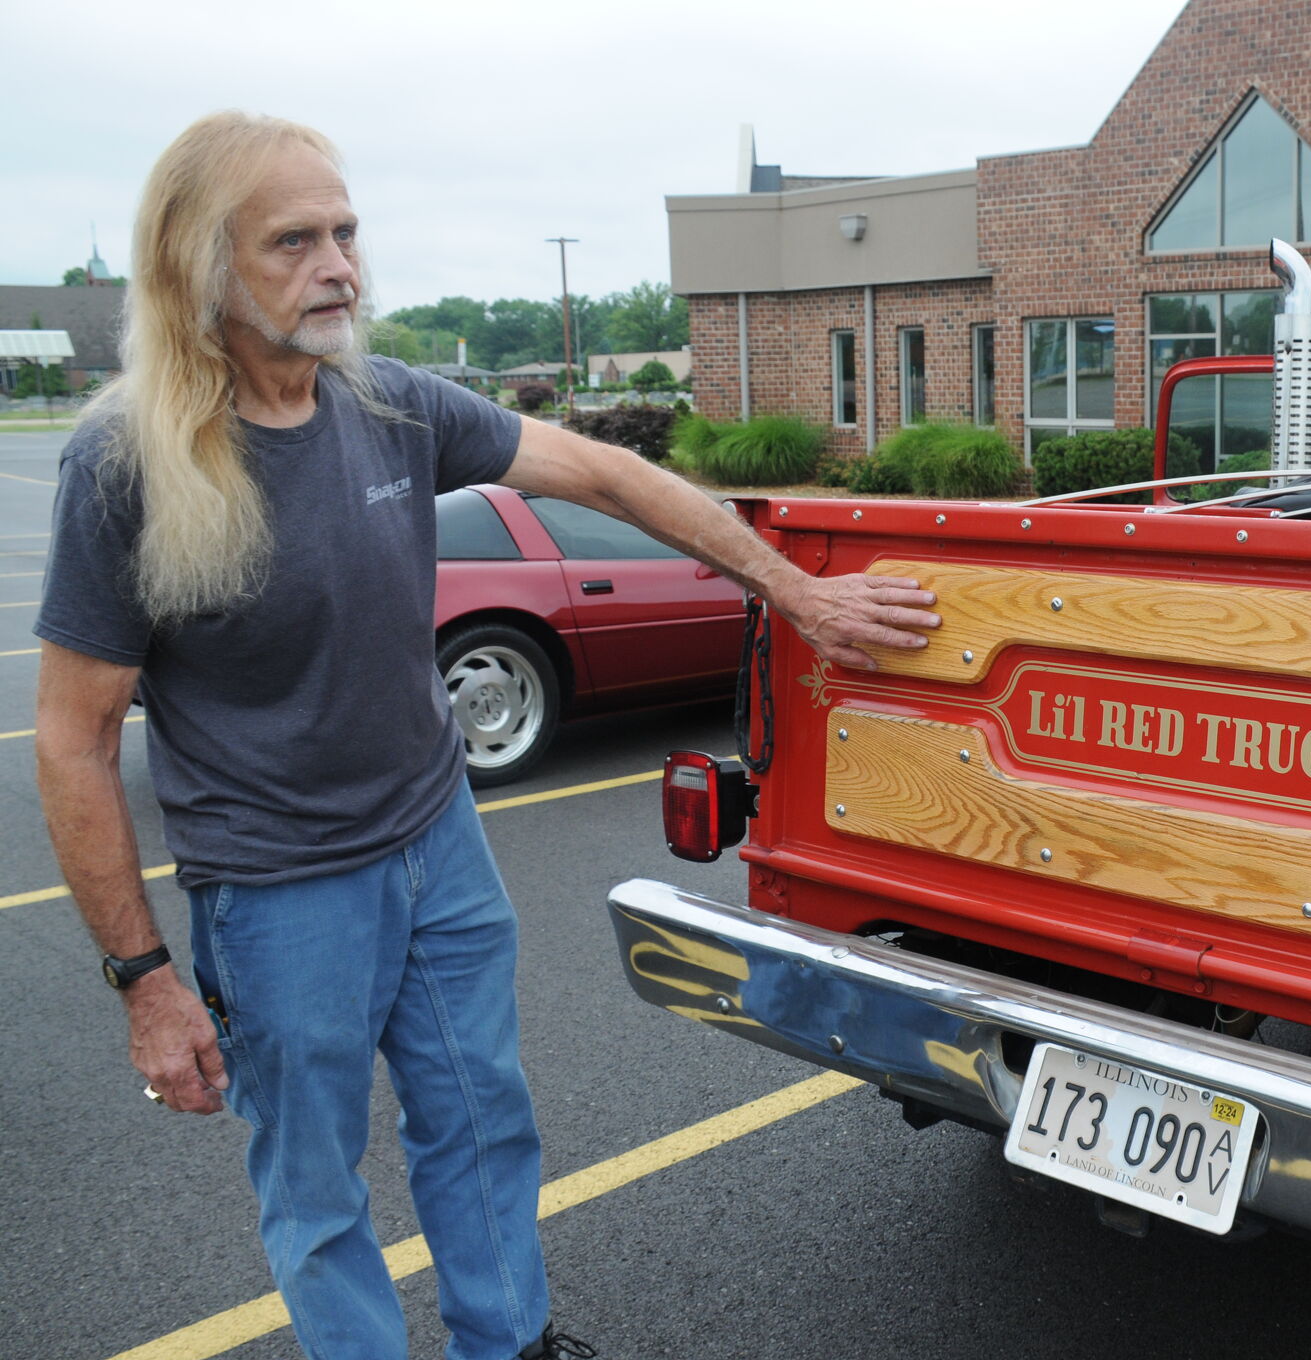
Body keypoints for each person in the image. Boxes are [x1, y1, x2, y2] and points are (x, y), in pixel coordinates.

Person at [33, 112, 940, 1360]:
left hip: (438, 842)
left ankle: (506, 1341)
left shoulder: (390, 405)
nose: (338, 266)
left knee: (480, 1118)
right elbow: (73, 741)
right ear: (200, 265)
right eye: (293, 242)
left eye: (344, 232)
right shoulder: (120, 467)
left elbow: (609, 475)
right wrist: (144, 982)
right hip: (279, 887)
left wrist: (794, 589)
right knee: (314, 1183)